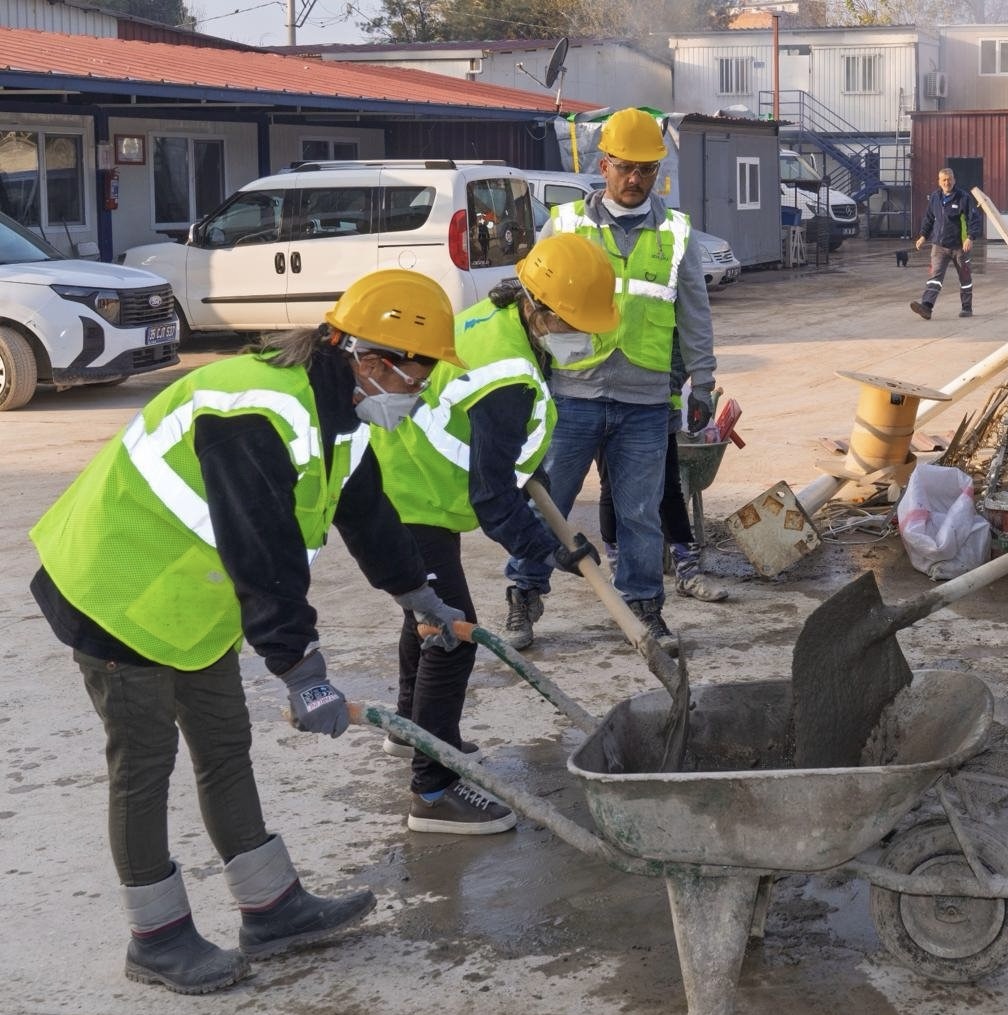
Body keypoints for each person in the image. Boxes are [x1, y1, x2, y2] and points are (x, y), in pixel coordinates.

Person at [27, 269, 469, 994]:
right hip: (115, 585)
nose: (419, 393)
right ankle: (157, 936)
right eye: (419, 375)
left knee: (225, 743)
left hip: (186, 601)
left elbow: (366, 513)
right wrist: (302, 671)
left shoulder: (340, 413)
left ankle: (271, 906)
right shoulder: (255, 410)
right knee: (144, 764)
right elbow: (262, 552)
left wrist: (420, 594)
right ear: (372, 356)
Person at [370, 234, 620, 833]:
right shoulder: (509, 372)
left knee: (425, 614)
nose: (582, 333)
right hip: (412, 494)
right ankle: (433, 791)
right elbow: (492, 500)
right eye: (574, 321)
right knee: (453, 632)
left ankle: (415, 729)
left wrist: (524, 470)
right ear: (539, 307)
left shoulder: (497, 312)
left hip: (403, 473)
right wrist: (551, 550)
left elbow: (495, 445)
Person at [503, 106, 717, 654]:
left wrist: (704, 382)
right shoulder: (568, 222)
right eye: (625, 167)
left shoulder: (675, 232)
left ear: (657, 172)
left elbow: (694, 312)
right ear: (604, 165)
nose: (634, 179)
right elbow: (534, 301)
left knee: (640, 513)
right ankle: (525, 595)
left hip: (645, 402)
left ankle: (643, 607)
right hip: (573, 394)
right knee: (548, 504)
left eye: (646, 169)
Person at [595, 343, 730, 603]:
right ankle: (618, 569)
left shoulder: (662, 303)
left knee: (668, 486)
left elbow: (688, 336)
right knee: (611, 486)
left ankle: (687, 571)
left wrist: (673, 383)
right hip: (603, 398)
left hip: (655, 403)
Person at [910, 166, 984, 320]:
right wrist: (923, 236)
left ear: (954, 180)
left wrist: (970, 237)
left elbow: (974, 219)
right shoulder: (935, 198)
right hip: (939, 246)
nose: (947, 182)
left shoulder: (963, 197)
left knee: (965, 279)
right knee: (935, 278)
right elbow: (929, 218)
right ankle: (927, 307)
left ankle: (966, 308)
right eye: (943, 179)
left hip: (960, 247)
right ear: (939, 181)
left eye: (949, 179)